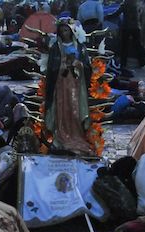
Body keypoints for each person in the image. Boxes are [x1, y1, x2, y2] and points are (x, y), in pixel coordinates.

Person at [44, 20, 93, 156]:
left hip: (76, 84)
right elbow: (51, 67)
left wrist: (77, 64)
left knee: (75, 109)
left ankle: (76, 133)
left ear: (71, 31)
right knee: (62, 109)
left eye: (66, 30)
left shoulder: (80, 47)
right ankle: (61, 134)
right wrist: (62, 66)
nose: (64, 34)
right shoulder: (55, 48)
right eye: (62, 31)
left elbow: (87, 66)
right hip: (61, 84)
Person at [120, 0, 145, 68]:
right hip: (136, 27)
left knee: (124, 47)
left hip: (126, 27)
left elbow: (117, 13)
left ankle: (123, 64)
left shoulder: (124, 4)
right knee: (138, 45)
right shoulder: (136, 3)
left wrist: (107, 16)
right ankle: (142, 63)